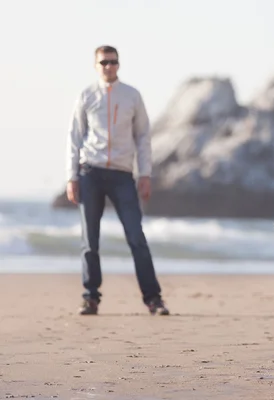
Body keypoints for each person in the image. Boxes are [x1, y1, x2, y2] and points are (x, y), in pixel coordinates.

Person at [66, 45, 169, 316]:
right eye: (103, 63)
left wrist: (144, 173)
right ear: (96, 65)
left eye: (113, 62)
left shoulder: (132, 96)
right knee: (90, 240)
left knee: (136, 236)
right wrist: (71, 177)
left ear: (119, 65)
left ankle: (153, 298)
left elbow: (143, 136)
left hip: (123, 175)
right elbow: (75, 138)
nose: (108, 67)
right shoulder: (86, 96)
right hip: (90, 172)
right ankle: (90, 297)